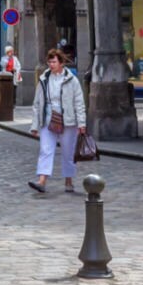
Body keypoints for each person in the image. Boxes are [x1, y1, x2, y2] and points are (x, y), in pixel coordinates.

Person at [27, 47, 85, 195]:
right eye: (49, 62)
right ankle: (42, 181)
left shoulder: (72, 80)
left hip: (68, 121)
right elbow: (37, 104)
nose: (51, 65)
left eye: (54, 62)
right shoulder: (44, 80)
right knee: (45, 150)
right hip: (48, 120)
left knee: (68, 152)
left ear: (61, 63)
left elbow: (79, 102)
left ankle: (69, 180)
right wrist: (34, 126)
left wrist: (82, 123)